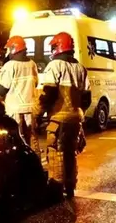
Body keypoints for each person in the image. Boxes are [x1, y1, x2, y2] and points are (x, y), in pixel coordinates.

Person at [39, 31, 91, 197]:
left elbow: (49, 93)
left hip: (59, 117)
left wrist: (39, 112)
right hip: (76, 118)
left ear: (58, 47)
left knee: (55, 152)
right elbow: (87, 97)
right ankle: (70, 186)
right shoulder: (80, 68)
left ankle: (56, 187)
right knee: (70, 152)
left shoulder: (55, 66)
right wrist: (78, 111)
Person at [0, 36, 40, 153]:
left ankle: (21, 164)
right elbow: (36, 82)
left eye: (9, 49)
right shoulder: (32, 64)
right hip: (30, 107)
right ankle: (35, 164)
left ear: (14, 49)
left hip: (15, 109)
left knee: (17, 139)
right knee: (32, 139)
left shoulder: (10, 66)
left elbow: (1, 89)